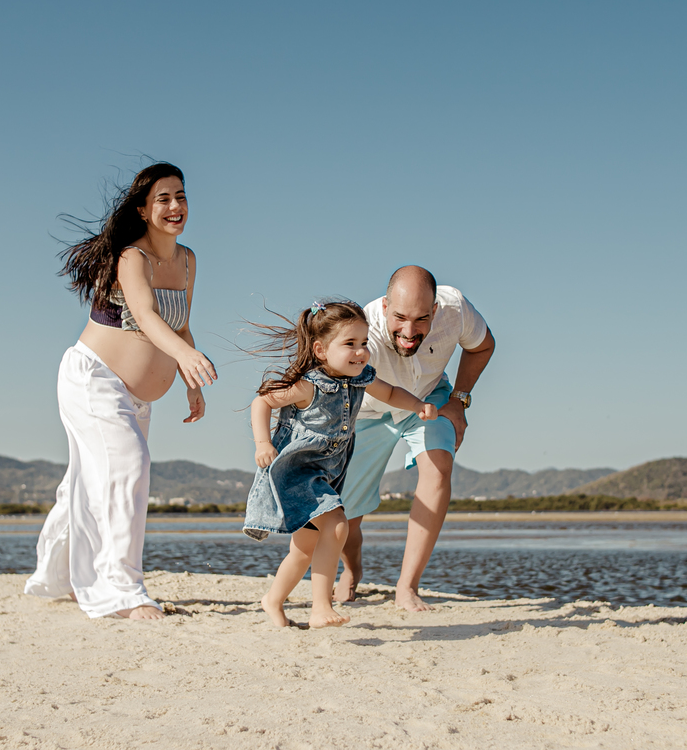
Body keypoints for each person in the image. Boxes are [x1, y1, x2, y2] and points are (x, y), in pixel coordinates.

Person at [24, 162, 216, 620]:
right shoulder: (132, 257)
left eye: (181, 196)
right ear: (143, 210)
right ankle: (123, 592)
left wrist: (190, 381)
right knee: (129, 467)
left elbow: (180, 325)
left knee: (90, 482)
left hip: (137, 395)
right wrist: (187, 356)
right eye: (163, 199)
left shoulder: (188, 260)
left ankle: (58, 576)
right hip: (94, 378)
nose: (175, 206)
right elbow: (146, 316)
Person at [243, 300, 438, 628]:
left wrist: (418, 404)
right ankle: (321, 607)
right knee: (336, 526)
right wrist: (263, 443)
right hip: (298, 473)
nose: (361, 352)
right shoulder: (308, 385)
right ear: (320, 350)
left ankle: (272, 601)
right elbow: (262, 401)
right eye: (350, 343)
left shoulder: (360, 379)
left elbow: (391, 394)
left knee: (304, 550)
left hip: (328, 475)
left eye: (364, 342)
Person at [334, 266, 495, 612]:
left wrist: (458, 400)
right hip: (367, 410)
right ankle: (351, 570)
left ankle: (407, 587)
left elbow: (483, 346)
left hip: (429, 398)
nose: (409, 332)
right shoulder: (361, 330)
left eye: (422, 319)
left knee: (438, 468)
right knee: (346, 516)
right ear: (385, 307)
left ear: (435, 309)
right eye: (400, 318)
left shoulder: (455, 308)